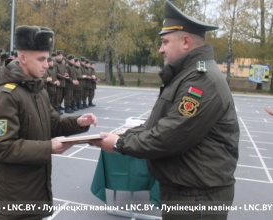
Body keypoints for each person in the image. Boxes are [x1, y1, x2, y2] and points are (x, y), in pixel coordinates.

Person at [90, 1, 239, 219]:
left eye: (165, 42)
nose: (160, 49)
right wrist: (123, 135)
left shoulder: (201, 80)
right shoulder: (187, 75)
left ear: (186, 42)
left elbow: (169, 135)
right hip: (187, 190)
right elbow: (158, 125)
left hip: (196, 196)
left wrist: (119, 143)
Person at [0, 25, 98, 220]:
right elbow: (2, 147)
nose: (47, 65)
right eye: (41, 59)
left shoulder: (38, 90)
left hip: (33, 189)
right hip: (14, 197)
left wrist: (78, 122)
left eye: (48, 59)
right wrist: (48, 148)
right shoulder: (6, 96)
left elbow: (52, 123)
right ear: (22, 58)